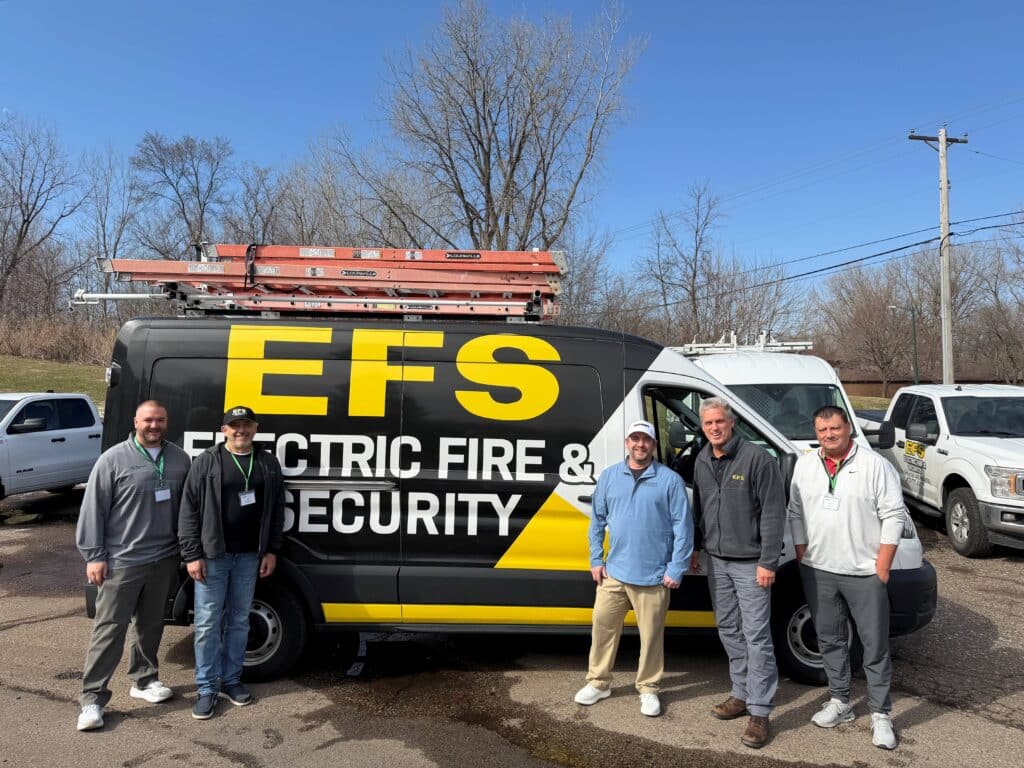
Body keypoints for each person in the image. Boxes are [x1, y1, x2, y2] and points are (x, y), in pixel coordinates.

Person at [787, 405, 905, 750]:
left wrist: (883, 564)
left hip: (863, 572)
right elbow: (795, 509)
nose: (828, 435)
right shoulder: (806, 464)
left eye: (834, 429)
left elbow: (894, 514)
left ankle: (881, 713)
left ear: (848, 429)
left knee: (874, 645)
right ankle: (840, 701)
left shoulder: (874, 466)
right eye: (822, 430)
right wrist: (801, 549)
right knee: (829, 639)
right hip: (818, 569)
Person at [75, 400, 192, 731]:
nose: (154, 426)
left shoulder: (179, 459)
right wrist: (94, 555)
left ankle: (144, 680)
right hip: (121, 561)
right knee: (109, 629)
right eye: (148, 420)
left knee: (151, 624)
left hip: (164, 559)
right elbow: (93, 510)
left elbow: (186, 509)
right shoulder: (112, 460)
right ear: (135, 422)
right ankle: (92, 700)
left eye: (160, 420)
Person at [574, 420, 693, 718]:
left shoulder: (669, 481)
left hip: (654, 576)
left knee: (651, 636)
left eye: (646, 440)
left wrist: (676, 568)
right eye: (635, 439)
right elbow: (597, 521)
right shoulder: (610, 476)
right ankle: (599, 682)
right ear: (627, 442)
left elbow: (684, 527)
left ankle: (649, 688)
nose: (640, 444)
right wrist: (596, 560)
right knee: (602, 627)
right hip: (614, 573)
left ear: (654, 445)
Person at [690, 397, 786, 749]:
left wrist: (768, 561)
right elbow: (700, 507)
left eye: (719, 421)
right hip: (717, 561)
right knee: (729, 628)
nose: (714, 428)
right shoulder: (702, 459)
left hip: (750, 564)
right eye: (708, 424)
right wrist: (698, 546)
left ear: (731, 423)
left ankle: (760, 713)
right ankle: (741, 692)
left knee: (757, 635)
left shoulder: (757, 460)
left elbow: (774, 513)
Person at [179, 406, 285, 720]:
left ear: (255, 428)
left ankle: (232, 680)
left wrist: (271, 550)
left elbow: (277, 508)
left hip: (250, 556)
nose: (241, 430)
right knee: (208, 623)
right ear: (224, 430)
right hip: (213, 556)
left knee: (239, 620)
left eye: (246, 425)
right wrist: (191, 554)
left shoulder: (267, 462)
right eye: (234, 426)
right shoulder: (207, 462)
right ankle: (207, 688)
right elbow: (188, 510)